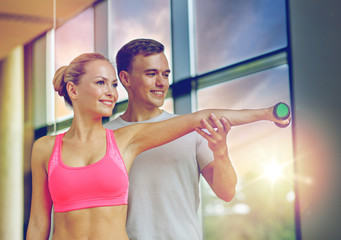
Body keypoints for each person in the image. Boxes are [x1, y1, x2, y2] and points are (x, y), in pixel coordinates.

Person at [26, 52, 289, 240]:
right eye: (100, 83)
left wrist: (266, 113)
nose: (111, 92)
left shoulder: (124, 140)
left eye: (113, 85)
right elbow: (38, 223)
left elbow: (200, 117)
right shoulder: (45, 148)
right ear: (73, 90)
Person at [104, 39, 290, 240]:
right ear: (126, 78)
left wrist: (221, 152)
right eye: (151, 74)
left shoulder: (191, 130)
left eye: (165, 74)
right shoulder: (104, 137)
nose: (162, 82)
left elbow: (226, 192)